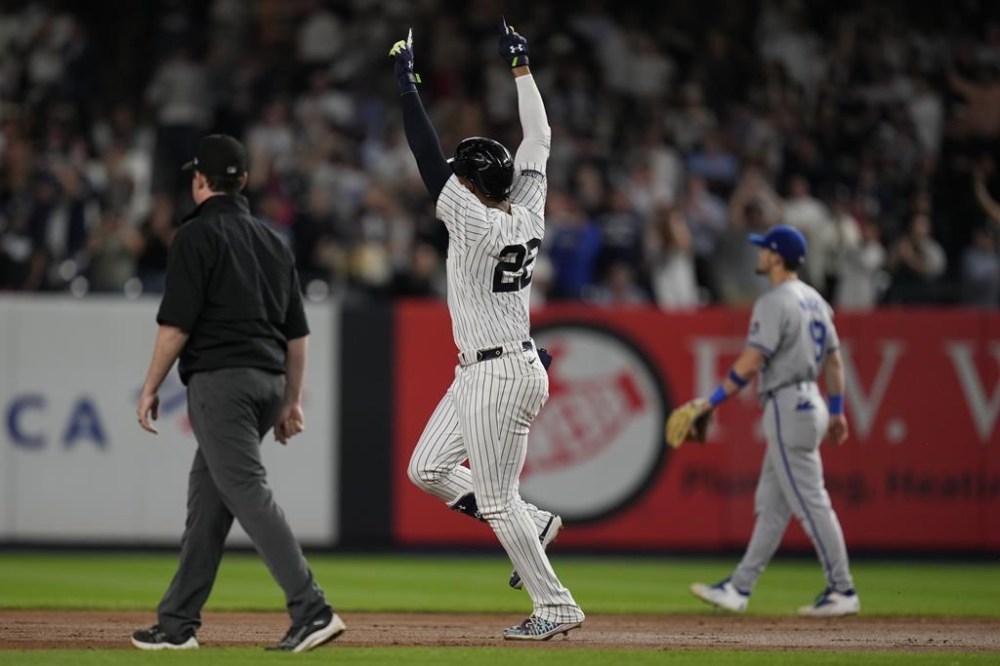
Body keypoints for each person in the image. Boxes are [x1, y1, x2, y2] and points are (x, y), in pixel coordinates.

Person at [389, 24, 585, 640]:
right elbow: (540, 136)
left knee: (495, 502)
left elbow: (425, 156)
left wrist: (406, 84)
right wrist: (521, 66)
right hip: (498, 363)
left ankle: (555, 605)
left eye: (459, 176)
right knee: (427, 468)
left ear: (471, 186)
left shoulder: (473, 222)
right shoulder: (528, 209)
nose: (452, 179)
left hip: (498, 372)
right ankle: (536, 522)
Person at [132, 134, 344, 652]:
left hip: (222, 382)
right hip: (268, 382)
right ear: (244, 181)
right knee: (209, 502)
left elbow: (176, 326)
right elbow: (298, 334)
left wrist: (150, 386)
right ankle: (177, 623)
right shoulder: (274, 241)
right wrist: (291, 400)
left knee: (246, 490)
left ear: (199, 180)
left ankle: (312, 609)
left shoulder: (194, 237)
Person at [686, 225, 861, 617]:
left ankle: (842, 588)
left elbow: (751, 361)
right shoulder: (816, 300)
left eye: (764, 249)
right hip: (810, 401)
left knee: (812, 502)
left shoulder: (774, 301)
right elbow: (834, 361)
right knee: (772, 505)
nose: (760, 254)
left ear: (777, 257)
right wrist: (835, 411)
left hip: (787, 406)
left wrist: (711, 401)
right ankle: (739, 587)